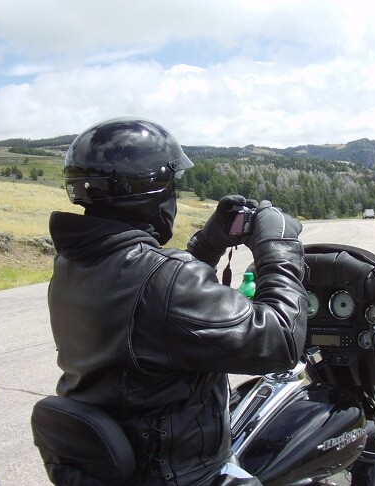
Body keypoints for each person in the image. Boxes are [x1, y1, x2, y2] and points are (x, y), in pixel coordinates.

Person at [46, 117, 308, 485]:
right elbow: (279, 342)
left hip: (121, 463)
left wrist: (207, 245)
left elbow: (153, 311)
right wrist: (278, 247)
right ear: (154, 192)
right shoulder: (162, 278)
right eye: (172, 187)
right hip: (181, 473)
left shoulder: (76, 262)